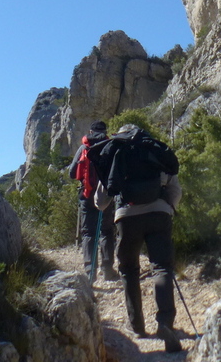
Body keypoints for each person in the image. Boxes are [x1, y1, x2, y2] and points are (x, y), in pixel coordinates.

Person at [92, 124, 183, 353]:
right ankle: (165, 323)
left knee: (129, 269)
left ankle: (138, 326)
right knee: (162, 268)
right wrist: (168, 207)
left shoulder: (116, 153)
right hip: (160, 214)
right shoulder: (154, 151)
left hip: (127, 217)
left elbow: (101, 201)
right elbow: (175, 189)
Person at [67, 120, 118, 282]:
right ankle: (108, 270)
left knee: (88, 232)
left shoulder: (84, 147)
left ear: (90, 131)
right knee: (107, 231)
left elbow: (72, 172)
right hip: (105, 195)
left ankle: (90, 272)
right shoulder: (110, 146)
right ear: (105, 131)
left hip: (87, 193)